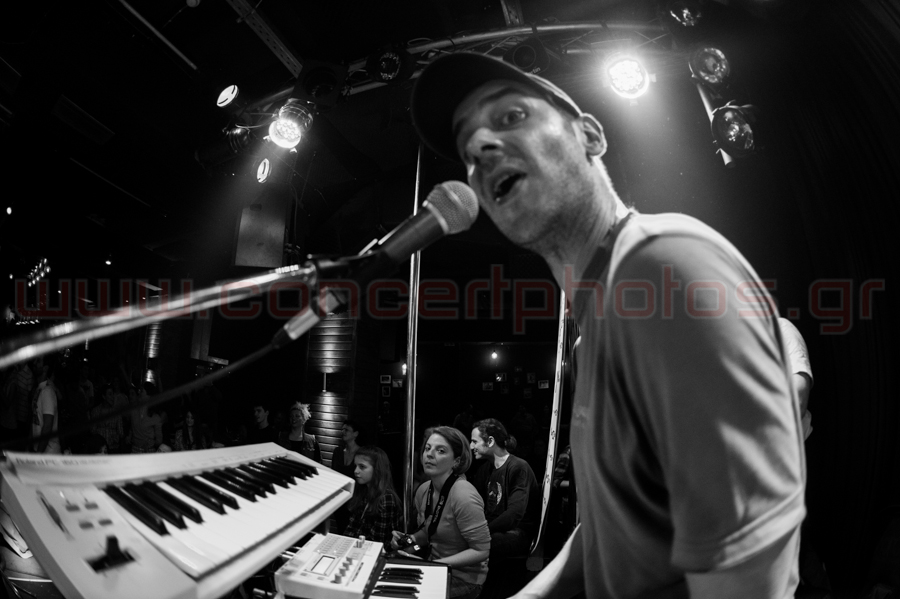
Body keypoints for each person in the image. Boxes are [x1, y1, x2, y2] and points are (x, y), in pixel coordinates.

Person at [411, 53, 805, 598]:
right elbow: (613, 531)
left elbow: (751, 568)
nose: (479, 147)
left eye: (510, 117)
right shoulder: (593, 327)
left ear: (590, 136)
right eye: (467, 150)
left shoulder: (659, 268)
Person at [391, 426, 490, 599]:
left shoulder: (464, 495)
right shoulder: (424, 490)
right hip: (435, 567)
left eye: (441, 451)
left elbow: (481, 551)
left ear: (456, 461)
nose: (429, 454)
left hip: (464, 579)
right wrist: (409, 541)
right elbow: (428, 533)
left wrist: (435, 566)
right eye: (427, 448)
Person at [469, 418, 541, 559]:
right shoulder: (484, 470)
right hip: (493, 529)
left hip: (517, 531)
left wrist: (482, 531)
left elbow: (514, 514)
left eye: (474, 441)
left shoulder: (518, 467)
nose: (471, 447)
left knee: (484, 543)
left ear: (490, 441)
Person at [343, 445, 403, 548]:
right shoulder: (362, 491)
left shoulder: (386, 498)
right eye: (355, 466)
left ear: (377, 469)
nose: (356, 471)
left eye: (362, 467)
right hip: (360, 547)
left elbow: (377, 541)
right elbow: (352, 527)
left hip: (377, 552)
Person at [331, 419, 362, 530]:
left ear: (355, 434)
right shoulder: (338, 451)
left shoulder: (361, 453)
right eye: (342, 429)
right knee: (340, 528)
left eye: (347, 430)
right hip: (340, 498)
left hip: (355, 499)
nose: (343, 432)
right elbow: (333, 474)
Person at [32, 358, 61, 454]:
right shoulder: (40, 388)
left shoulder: (47, 391)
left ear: (45, 368)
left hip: (48, 453)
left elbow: (48, 426)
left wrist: (39, 454)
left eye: (38, 361)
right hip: (41, 450)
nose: (34, 363)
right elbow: (34, 420)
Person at [89, 384, 125, 453]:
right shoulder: (96, 411)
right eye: (110, 394)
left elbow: (121, 433)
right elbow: (93, 431)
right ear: (104, 396)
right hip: (100, 449)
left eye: (113, 394)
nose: (112, 397)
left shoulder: (116, 412)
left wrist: (114, 438)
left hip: (114, 448)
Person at [129, 383, 163, 453]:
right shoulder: (134, 409)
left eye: (142, 391)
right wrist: (129, 436)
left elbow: (159, 439)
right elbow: (132, 427)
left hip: (148, 450)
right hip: (135, 448)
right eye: (139, 391)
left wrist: (152, 444)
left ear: (149, 395)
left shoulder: (155, 416)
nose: (139, 393)